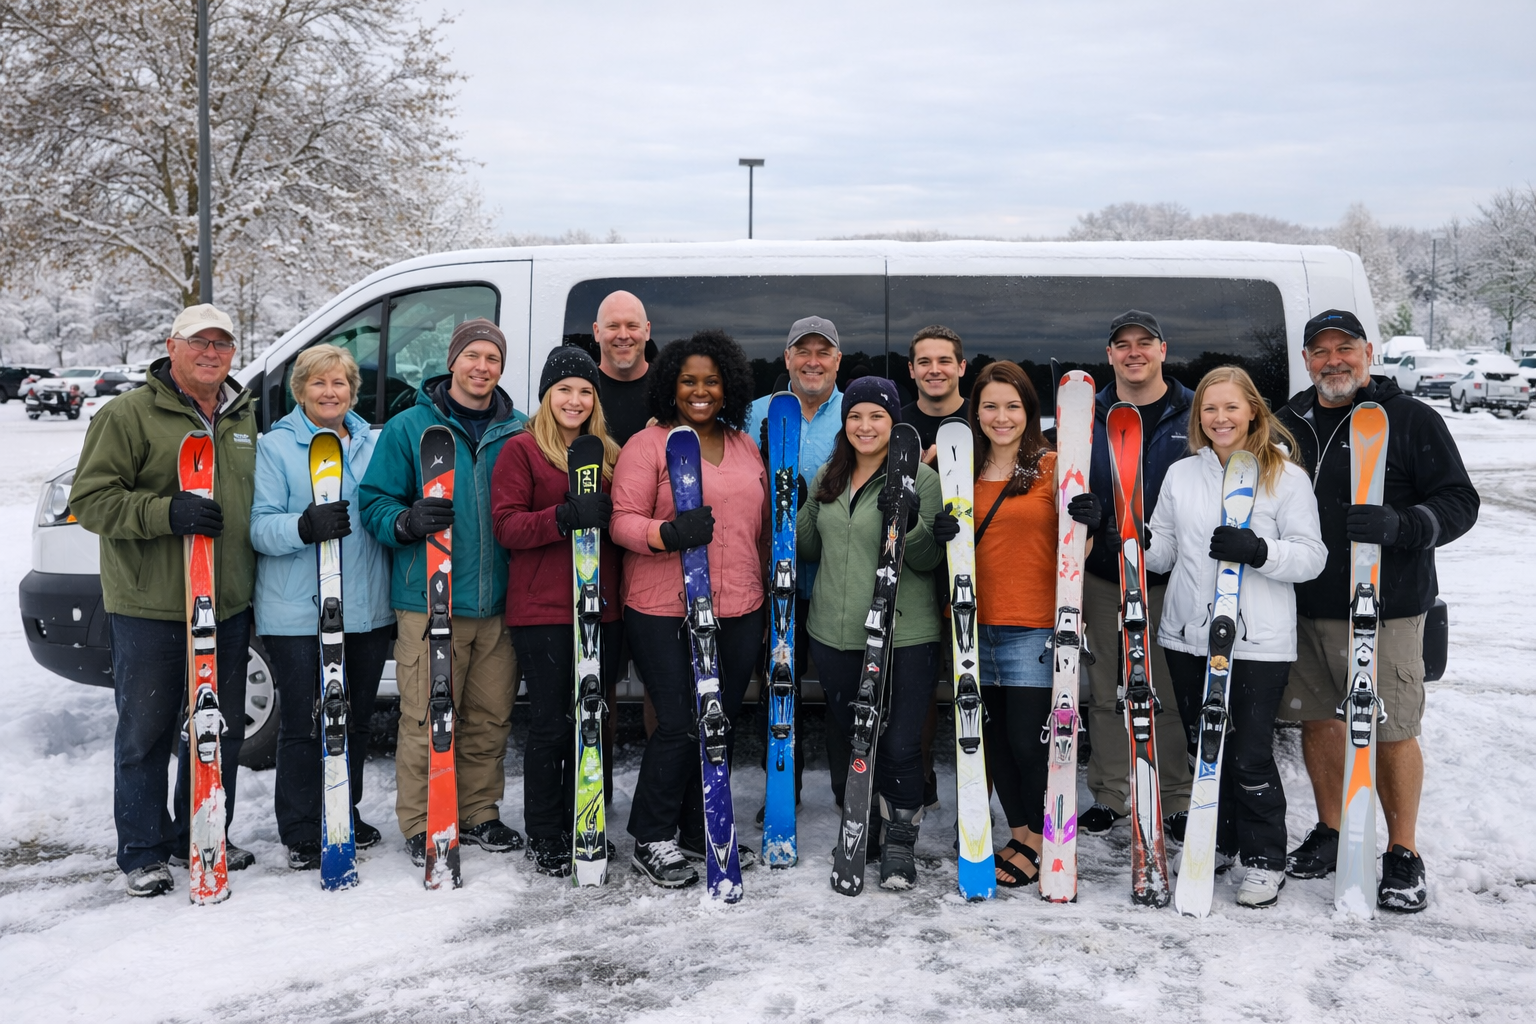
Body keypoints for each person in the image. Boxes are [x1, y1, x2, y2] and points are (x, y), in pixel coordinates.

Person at [1274, 309, 1479, 913]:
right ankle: (1335, 829)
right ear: (1307, 359)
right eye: (1321, 351)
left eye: (1346, 348)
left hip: (1385, 606)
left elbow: (1460, 501)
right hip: (1305, 603)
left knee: (1391, 728)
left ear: (1369, 351)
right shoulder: (1290, 421)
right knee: (1319, 720)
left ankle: (1403, 850)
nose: (1333, 360)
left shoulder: (1411, 419)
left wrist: (1407, 523)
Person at [71, 303, 258, 896]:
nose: (211, 353)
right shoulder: (128, 415)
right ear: (171, 347)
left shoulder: (243, 416)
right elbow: (92, 501)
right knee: (147, 731)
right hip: (152, 605)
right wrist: (163, 512)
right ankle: (143, 850)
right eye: (198, 342)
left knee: (215, 731)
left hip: (224, 603)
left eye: (222, 344)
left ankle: (199, 834)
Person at [1144, 366, 1327, 908]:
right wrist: (1126, 535)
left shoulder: (1285, 477)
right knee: (1205, 747)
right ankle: (1216, 840)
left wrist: (1260, 550)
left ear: (1253, 410)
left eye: (1230, 407)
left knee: (1247, 753)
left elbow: (1312, 557)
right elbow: (1164, 553)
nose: (1220, 418)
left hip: (1257, 641)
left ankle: (1265, 856)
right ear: (1198, 417)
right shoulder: (1181, 474)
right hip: (1188, 634)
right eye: (1209, 409)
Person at [358, 317, 525, 865]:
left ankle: (478, 811)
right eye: (473, 356)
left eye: (492, 359)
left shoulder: (519, 430)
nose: (482, 367)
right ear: (453, 361)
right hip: (428, 600)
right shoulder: (411, 427)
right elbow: (374, 502)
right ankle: (422, 817)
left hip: (498, 602)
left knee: (490, 715)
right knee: (427, 715)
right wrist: (406, 521)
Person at [609, 330, 768, 887]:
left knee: (715, 723)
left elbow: (761, 524)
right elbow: (621, 520)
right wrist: (667, 533)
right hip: (662, 607)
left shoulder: (746, 446)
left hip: (741, 602)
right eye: (688, 381)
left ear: (729, 388)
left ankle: (702, 827)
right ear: (670, 387)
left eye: (711, 381)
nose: (700, 392)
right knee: (677, 724)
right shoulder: (647, 445)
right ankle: (651, 837)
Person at [797, 375, 958, 890]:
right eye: (856, 416)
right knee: (847, 734)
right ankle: (858, 824)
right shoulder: (831, 473)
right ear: (845, 423)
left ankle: (898, 838)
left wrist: (908, 519)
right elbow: (807, 548)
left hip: (903, 635)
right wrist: (794, 498)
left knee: (899, 741)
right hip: (833, 629)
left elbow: (929, 558)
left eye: (878, 417)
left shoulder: (922, 480)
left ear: (895, 422)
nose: (865, 426)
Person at [250, 345, 394, 869]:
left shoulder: (371, 443)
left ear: (352, 391)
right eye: (318, 383)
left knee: (353, 719)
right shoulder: (276, 447)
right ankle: (302, 826)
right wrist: (301, 526)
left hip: (365, 607)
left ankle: (342, 809)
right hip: (297, 611)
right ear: (300, 390)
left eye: (339, 383)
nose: (330, 392)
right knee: (306, 720)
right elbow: (258, 526)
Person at [966, 361, 1101, 888]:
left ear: (1030, 411)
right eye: (991, 406)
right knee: (994, 744)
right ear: (975, 411)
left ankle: (1046, 840)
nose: (1002, 417)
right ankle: (1019, 832)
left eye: (1013, 406)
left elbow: (1078, 548)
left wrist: (1091, 520)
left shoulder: (1052, 466)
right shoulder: (959, 467)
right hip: (974, 626)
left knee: (1028, 742)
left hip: (1033, 627)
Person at [490, 347, 624, 877]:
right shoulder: (522, 451)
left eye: (585, 391)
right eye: (564, 390)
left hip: (599, 607)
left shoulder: (609, 453)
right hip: (544, 609)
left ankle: (584, 821)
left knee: (592, 722)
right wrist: (563, 516)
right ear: (547, 396)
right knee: (550, 723)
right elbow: (507, 526)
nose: (575, 400)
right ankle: (546, 832)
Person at [1080, 309, 1196, 837]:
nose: (1133, 353)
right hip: (1106, 575)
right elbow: (1068, 483)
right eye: (1121, 344)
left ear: (1163, 350)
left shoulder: (1193, 411)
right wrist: (1088, 513)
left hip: (1171, 580)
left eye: (1143, 343)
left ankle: (1173, 795)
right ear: (1109, 355)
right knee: (1107, 689)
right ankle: (1111, 792)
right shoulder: (1087, 413)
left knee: (1164, 691)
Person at [746, 315, 845, 808]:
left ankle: (851, 787)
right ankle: (783, 783)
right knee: (777, 683)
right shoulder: (756, 412)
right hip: (773, 575)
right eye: (802, 351)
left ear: (837, 360)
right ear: (786, 358)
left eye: (822, 352)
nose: (812, 361)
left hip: (837, 577)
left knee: (842, 688)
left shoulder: (858, 412)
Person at [899, 324, 969, 811]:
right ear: (911, 371)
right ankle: (919, 781)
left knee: (975, 683)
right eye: (924, 362)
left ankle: (976, 791)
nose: (934, 370)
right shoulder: (894, 425)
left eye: (944, 360)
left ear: (962, 367)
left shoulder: (984, 419)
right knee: (915, 689)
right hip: (915, 577)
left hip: (973, 572)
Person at [593, 290, 654, 445]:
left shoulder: (671, 389)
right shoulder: (582, 393)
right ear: (597, 331)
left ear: (647, 330)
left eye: (632, 326)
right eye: (613, 326)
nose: (623, 335)